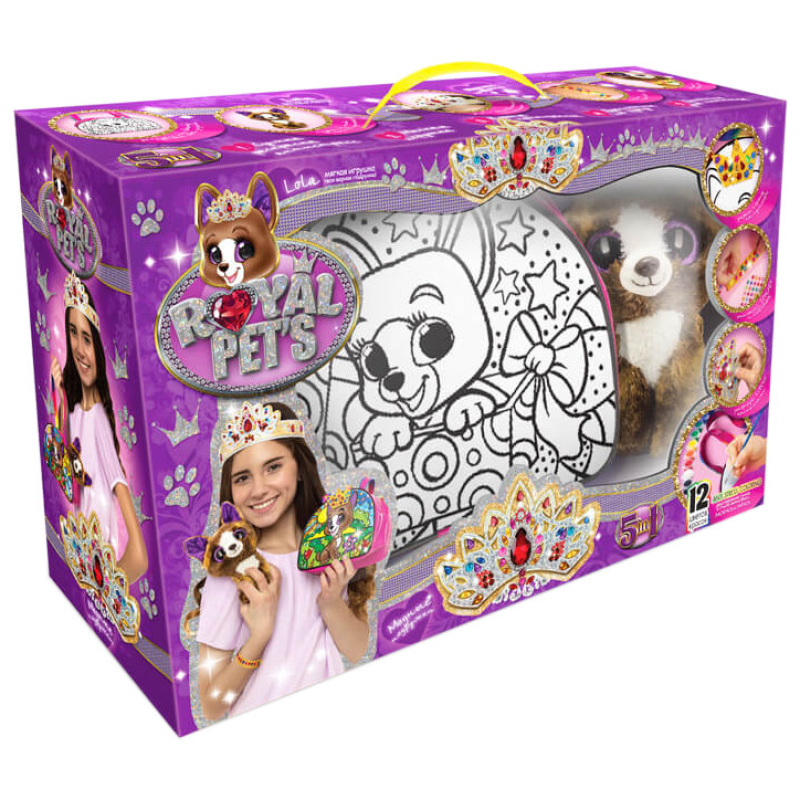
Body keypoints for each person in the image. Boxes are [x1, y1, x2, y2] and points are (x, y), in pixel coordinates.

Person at [192, 401, 375, 721]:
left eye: (273, 467)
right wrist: (259, 636)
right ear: (230, 491)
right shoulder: (230, 577)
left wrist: (331, 602)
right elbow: (212, 705)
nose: (259, 489)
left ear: (300, 467)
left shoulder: (330, 547)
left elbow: (357, 649)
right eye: (242, 478)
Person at [50, 272, 148, 583]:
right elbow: (66, 472)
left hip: (99, 566)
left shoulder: (99, 423)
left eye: (87, 338)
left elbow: (139, 557)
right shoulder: (75, 413)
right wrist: (59, 398)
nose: (79, 349)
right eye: (72, 333)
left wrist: (110, 587)